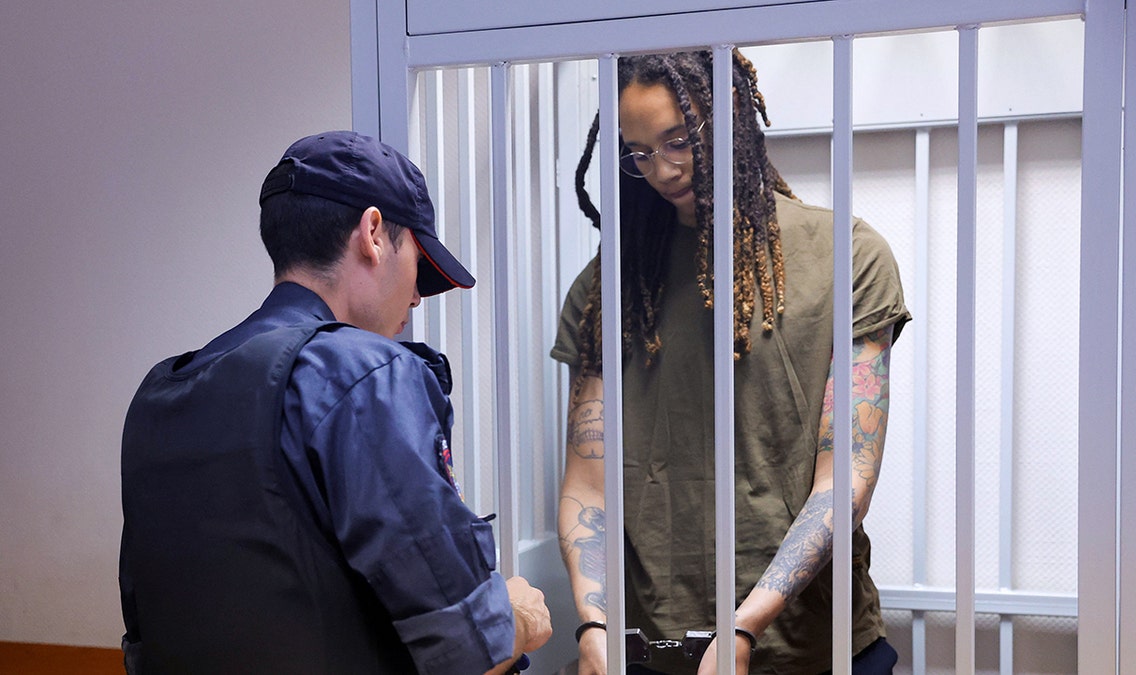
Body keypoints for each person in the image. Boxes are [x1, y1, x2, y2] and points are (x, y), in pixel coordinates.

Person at [119, 130, 551, 674]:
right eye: (420, 263)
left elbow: (143, 640)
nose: (418, 296)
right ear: (373, 233)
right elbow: (468, 651)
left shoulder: (163, 394)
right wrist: (519, 613)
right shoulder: (366, 374)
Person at [552, 50, 910, 675]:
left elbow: (845, 481)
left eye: (680, 140)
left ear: (732, 117)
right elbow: (588, 487)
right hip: (655, 649)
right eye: (637, 152)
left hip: (816, 647)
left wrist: (743, 628)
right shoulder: (606, 291)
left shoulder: (848, 256)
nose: (661, 169)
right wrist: (593, 626)